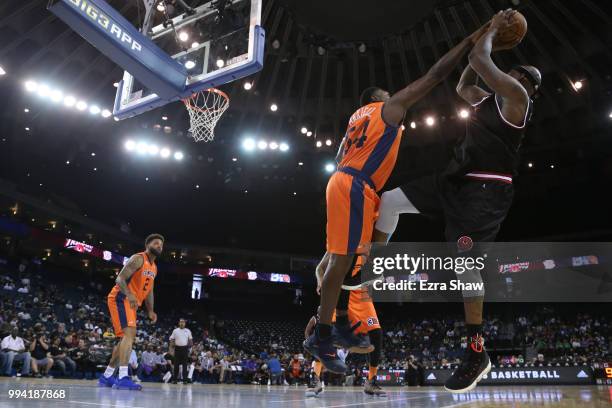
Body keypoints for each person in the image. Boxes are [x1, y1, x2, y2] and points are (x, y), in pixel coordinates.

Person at [305, 21, 492, 374]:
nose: (396, 99)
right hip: (355, 184)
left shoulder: (355, 121)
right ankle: (323, 334)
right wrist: (468, 41)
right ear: (379, 100)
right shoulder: (383, 111)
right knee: (342, 263)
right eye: (390, 95)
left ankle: (340, 322)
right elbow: (435, 75)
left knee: (346, 259)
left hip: (347, 183)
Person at [372, 10, 541, 394]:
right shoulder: (486, 99)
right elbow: (468, 80)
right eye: (515, 72)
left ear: (528, 86)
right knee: (390, 202)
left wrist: (492, 32)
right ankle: (370, 268)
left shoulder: (517, 100)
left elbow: (480, 62)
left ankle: (475, 350)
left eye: (521, 76)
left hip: (485, 193)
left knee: (464, 264)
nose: (515, 77)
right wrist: (486, 37)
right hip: (455, 180)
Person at [98, 233, 164, 390]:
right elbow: (119, 279)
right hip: (120, 297)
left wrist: (151, 310)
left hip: (131, 303)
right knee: (129, 335)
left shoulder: (154, 267)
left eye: (161, 245)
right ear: (147, 245)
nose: (159, 246)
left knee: (125, 339)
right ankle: (122, 377)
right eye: (156, 243)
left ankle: (106, 376)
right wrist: (129, 294)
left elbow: (149, 291)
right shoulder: (138, 258)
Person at [170, 318, 193, 384]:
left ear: (185, 323)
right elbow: (171, 339)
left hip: (185, 349)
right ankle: (175, 380)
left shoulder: (188, 331)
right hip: (177, 349)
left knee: (185, 365)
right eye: (181, 322)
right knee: (176, 365)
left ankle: (185, 380)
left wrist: (189, 346)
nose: (182, 323)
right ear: (179, 323)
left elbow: (191, 340)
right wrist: (171, 349)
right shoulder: (175, 331)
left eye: (183, 322)